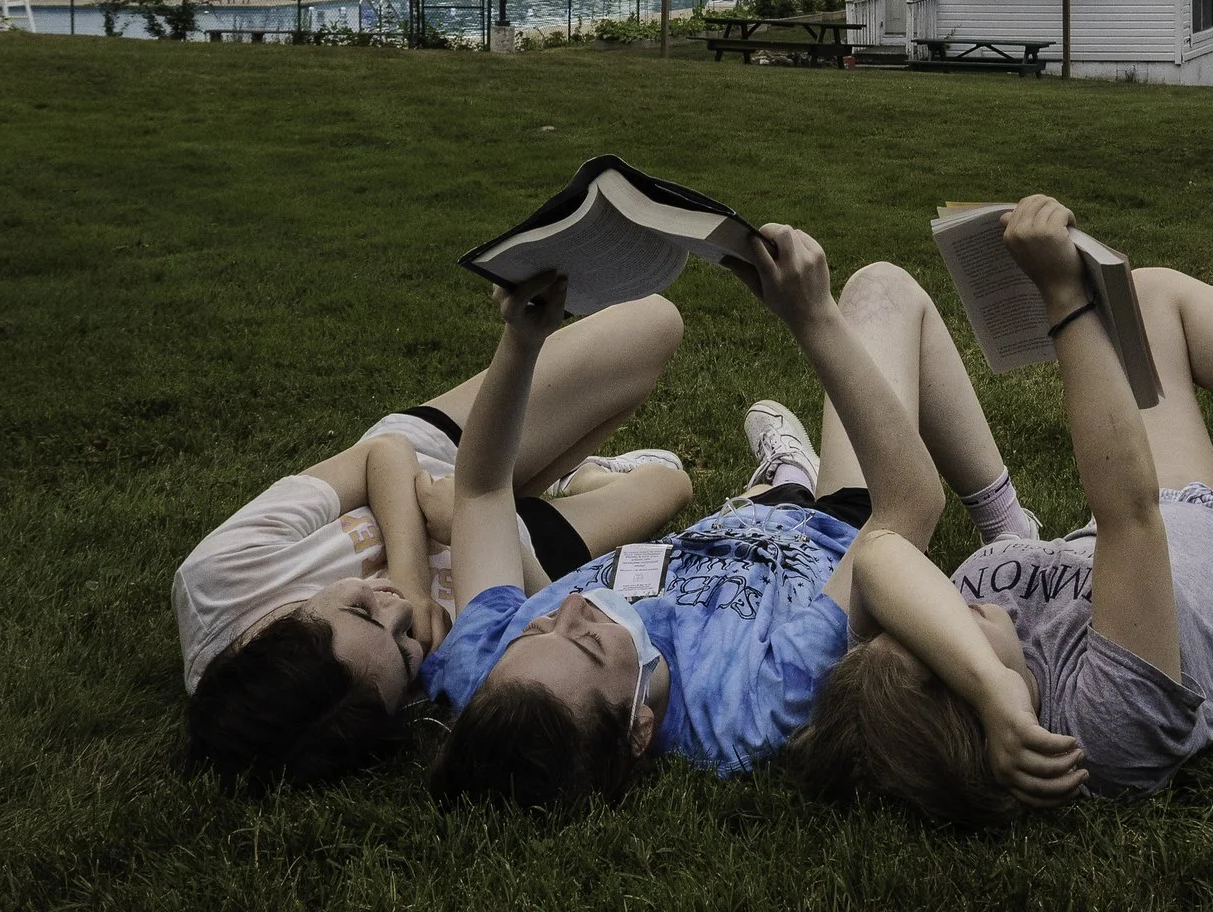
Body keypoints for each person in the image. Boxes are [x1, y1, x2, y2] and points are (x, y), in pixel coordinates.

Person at [782, 195, 1213, 823]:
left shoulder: (955, 636)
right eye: (937, 652)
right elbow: (1126, 509)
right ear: (991, 728)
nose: (942, 617)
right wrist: (1065, 299)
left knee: (1150, 303)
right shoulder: (1103, 732)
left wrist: (983, 681)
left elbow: (879, 555)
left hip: (1179, 515)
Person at [423, 237, 1043, 808]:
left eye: (537, 632)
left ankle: (780, 480)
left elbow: (480, 494)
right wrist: (813, 318)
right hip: (849, 533)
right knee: (883, 290)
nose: (573, 610)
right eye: (587, 645)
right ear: (639, 727)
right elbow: (908, 506)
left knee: (872, 307)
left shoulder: (487, 677)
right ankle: (1007, 526)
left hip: (737, 528)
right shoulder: (743, 709)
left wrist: (520, 342)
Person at [176, 296, 692, 785]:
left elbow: (385, 454)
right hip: (506, 558)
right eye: (405, 651)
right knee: (669, 483)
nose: (398, 610)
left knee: (655, 324)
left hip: (444, 456)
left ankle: (554, 481)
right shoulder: (340, 715)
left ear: (270, 628)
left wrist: (412, 579)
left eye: (360, 610)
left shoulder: (220, 579)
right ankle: (569, 484)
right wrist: (490, 538)